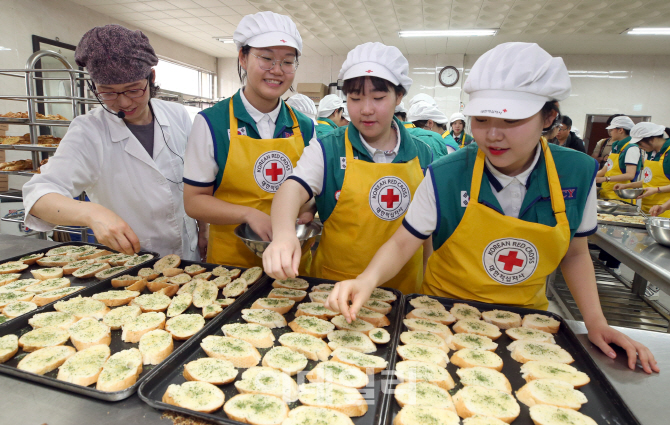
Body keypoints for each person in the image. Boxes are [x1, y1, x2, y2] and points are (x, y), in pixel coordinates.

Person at [324, 42, 658, 374]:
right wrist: (368, 279)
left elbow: (574, 253)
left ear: (549, 116)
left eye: (511, 121)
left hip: (527, 323)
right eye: (481, 120)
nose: (493, 135)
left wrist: (596, 322)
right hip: (439, 317)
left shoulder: (577, 172)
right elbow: (403, 242)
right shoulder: (447, 173)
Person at [263, 42, 434, 295]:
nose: (366, 109)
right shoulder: (328, 149)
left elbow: (428, 230)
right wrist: (284, 234)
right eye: (355, 98)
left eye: (378, 98)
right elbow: (291, 189)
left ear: (399, 97)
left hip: (403, 290)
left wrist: (428, 278)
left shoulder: (424, 153)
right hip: (334, 289)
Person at [22, 24, 203, 260]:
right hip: (133, 262)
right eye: (107, 92)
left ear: (151, 78)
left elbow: (196, 182)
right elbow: (38, 196)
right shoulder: (89, 131)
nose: (125, 103)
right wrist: (91, 213)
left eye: (133, 89)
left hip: (190, 255)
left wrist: (205, 228)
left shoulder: (177, 115)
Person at [182, 11, 315, 269]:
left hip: (292, 261)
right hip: (232, 263)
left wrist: (307, 208)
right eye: (266, 58)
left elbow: (309, 192)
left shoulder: (306, 127)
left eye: (288, 62)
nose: (277, 70)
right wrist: (248, 214)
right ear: (243, 57)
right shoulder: (212, 123)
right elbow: (194, 201)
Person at [615, 122, 670, 218]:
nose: (639, 147)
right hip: (648, 209)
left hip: (664, 211)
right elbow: (650, 181)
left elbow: (656, 186)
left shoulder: (668, 154)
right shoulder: (651, 153)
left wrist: (657, 190)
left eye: (640, 143)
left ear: (652, 139)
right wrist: (627, 185)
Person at [596, 115, 641, 201]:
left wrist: (605, 179)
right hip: (607, 193)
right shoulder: (616, 146)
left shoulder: (631, 148)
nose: (610, 133)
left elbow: (630, 175)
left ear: (620, 130)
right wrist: (589, 177)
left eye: (612, 130)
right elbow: (604, 170)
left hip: (620, 196)